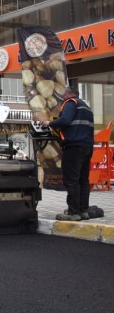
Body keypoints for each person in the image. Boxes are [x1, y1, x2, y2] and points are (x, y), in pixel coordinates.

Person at [42, 86, 95, 221]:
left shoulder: (71, 103)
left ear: (67, 95)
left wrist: (50, 123)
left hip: (74, 147)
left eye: (64, 96)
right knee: (83, 180)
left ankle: (73, 213)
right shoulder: (86, 107)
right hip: (86, 146)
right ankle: (83, 210)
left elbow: (65, 120)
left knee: (71, 180)